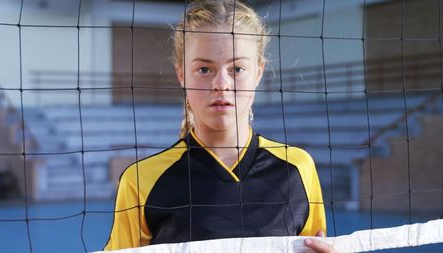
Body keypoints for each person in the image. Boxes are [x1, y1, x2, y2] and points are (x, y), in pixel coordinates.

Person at [105, 0, 335, 252]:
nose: (221, 83)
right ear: (181, 74)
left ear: (258, 72)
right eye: (204, 69)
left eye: (237, 68)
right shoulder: (141, 181)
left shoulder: (297, 168)